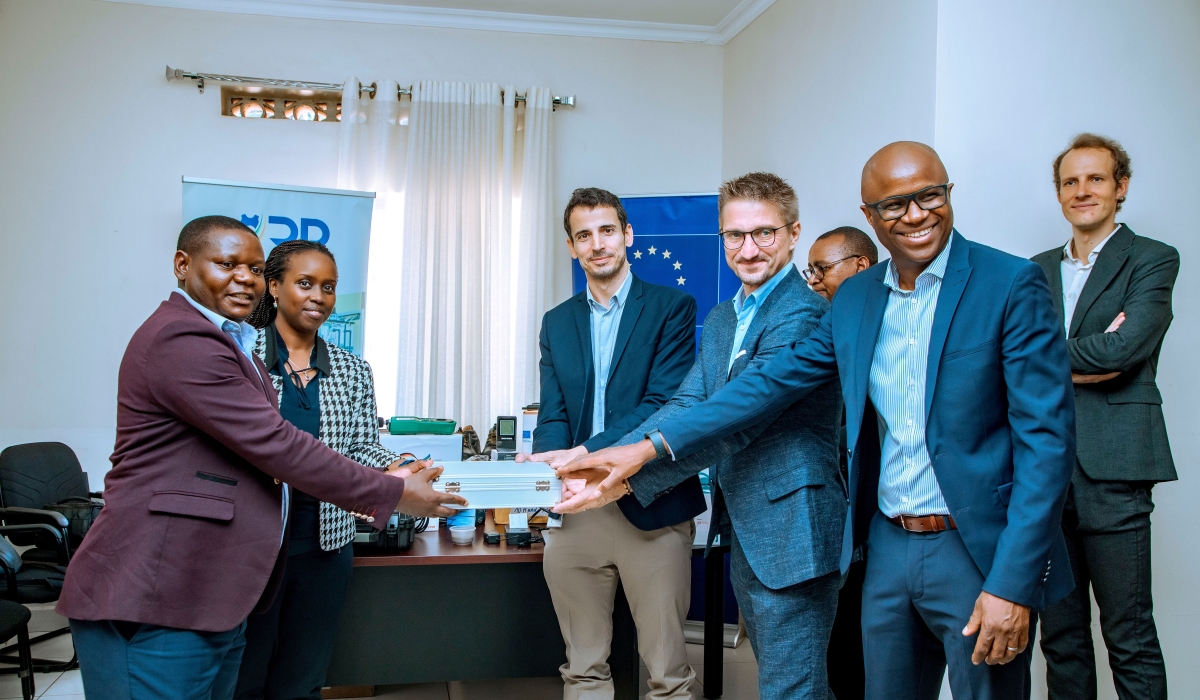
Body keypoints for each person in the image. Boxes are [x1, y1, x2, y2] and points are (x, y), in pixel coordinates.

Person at [556, 142, 1078, 700]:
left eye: (929, 196)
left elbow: (1046, 446)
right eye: (895, 204)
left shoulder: (1008, 283)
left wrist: (1012, 582)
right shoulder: (852, 299)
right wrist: (617, 451)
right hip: (885, 541)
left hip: (968, 544)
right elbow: (755, 387)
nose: (915, 215)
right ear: (870, 215)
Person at [57, 216, 465, 699]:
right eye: (229, 265)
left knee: (296, 680)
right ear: (182, 265)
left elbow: (336, 445)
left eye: (252, 267)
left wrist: (400, 467)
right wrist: (394, 492)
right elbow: (277, 445)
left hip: (232, 576)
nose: (244, 278)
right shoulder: (183, 339)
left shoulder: (238, 345)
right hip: (162, 589)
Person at [593, 173, 845, 699]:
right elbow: (686, 403)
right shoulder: (724, 318)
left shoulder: (803, 313)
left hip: (794, 530)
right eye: (735, 235)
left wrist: (632, 465)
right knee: (775, 682)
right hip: (748, 525)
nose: (748, 249)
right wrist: (597, 456)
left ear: (794, 233)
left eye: (764, 234)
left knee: (792, 688)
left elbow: (739, 415)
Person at [520, 187, 705, 700]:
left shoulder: (672, 307)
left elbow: (661, 404)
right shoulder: (557, 322)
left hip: (652, 503)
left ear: (627, 235)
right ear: (571, 246)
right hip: (578, 510)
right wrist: (547, 467)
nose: (597, 244)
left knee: (668, 674)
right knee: (582, 667)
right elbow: (554, 414)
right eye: (584, 235)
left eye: (607, 231)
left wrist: (581, 454)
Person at [233, 240, 414, 699]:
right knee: (242, 677)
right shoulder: (237, 354)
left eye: (329, 287)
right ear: (273, 287)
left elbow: (361, 448)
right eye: (306, 284)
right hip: (249, 547)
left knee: (302, 679)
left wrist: (401, 467)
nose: (319, 297)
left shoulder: (353, 371)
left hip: (324, 546)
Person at [1033, 134, 1178, 700]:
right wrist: (1083, 358)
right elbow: (1011, 357)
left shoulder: (1152, 258)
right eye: (1070, 181)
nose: (1082, 190)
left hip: (1115, 468)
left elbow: (1121, 354)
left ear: (1120, 188)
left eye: (1096, 179)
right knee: (1061, 637)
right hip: (1042, 470)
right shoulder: (1035, 270)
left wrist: (1048, 360)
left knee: (1129, 634)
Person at [804, 226, 878, 700]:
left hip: (878, 529)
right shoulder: (818, 334)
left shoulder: (889, 330)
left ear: (860, 267)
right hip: (831, 528)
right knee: (833, 655)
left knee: (867, 656)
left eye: (822, 269)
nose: (813, 281)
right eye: (809, 270)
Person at [803, 226, 878, 302]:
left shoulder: (887, 310)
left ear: (860, 267)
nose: (811, 281)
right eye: (812, 271)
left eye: (822, 268)